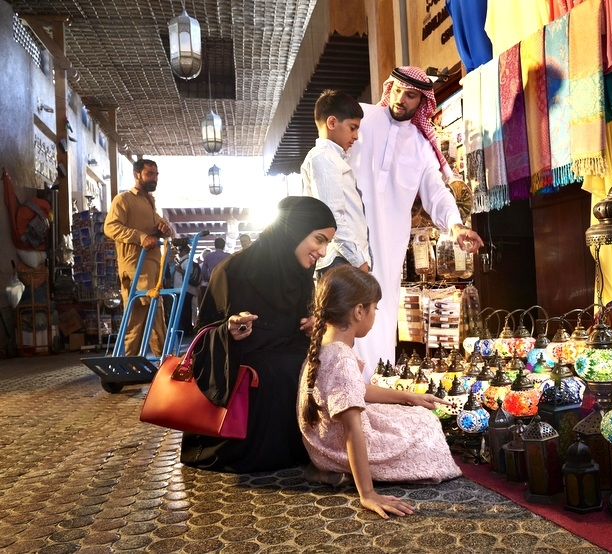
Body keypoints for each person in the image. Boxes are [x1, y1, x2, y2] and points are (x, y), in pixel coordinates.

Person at [180, 196, 337, 473]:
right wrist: (228, 330)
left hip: (287, 364)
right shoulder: (232, 271)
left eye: (327, 243)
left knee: (325, 361)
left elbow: (299, 326)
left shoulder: (300, 274)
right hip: (242, 391)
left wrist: (313, 324)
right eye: (319, 239)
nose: (323, 252)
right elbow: (203, 337)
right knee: (281, 367)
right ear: (294, 230)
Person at [348, 66, 484, 378]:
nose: (401, 99)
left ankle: (376, 385)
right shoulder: (362, 119)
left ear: (422, 101)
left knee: (379, 311)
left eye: (410, 95)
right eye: (397, 91)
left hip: (389, 246)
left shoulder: (422, 147)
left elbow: (437, 192)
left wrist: (456, 225)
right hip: (349, 238)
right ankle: (346, 386)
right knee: (345, 307)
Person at [298, 265, 461, 519]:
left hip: (321, 446)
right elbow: (352, 429)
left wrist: (410, 397)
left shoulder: (325, 346)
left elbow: (357, 390)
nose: (375, 313)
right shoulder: (341, 357)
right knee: (425, 423)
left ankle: (333, 472)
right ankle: (346, 472)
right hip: (336, 448)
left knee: (410, 413)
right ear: (359, 311)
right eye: (375, 308)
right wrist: (368, 494)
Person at [104, 158, 172, 357]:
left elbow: (164, 228)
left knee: (145, 318)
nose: (154, 178)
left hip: (152, 268)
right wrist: (140, 237)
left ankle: (143, 362)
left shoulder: (150, 203)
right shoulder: (124, 199)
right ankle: (160, 361)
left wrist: (165, 229)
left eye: (156, 174)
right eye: (150, 174)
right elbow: (110, 227)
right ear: (137, 175)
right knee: (147, 315)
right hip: (135, 267)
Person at [302, 89, 371, 275]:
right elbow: (332, 218)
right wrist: (359, 262)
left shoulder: (332, 158)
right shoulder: (324, 158)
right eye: (352, 128)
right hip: (339, 261)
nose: (356, 136)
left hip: (344, 260)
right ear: (332, 122)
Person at [173, 244, 197, 335]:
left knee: (185, 310)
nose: (178, 252)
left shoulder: (186, 260)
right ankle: (186, 328)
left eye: (180, 250)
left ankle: (186, 329)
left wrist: (178, 270)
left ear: (184, 251)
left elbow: (188, 273)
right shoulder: (184, 260)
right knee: (185, 309)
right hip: (184, 289)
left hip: (184, 289)